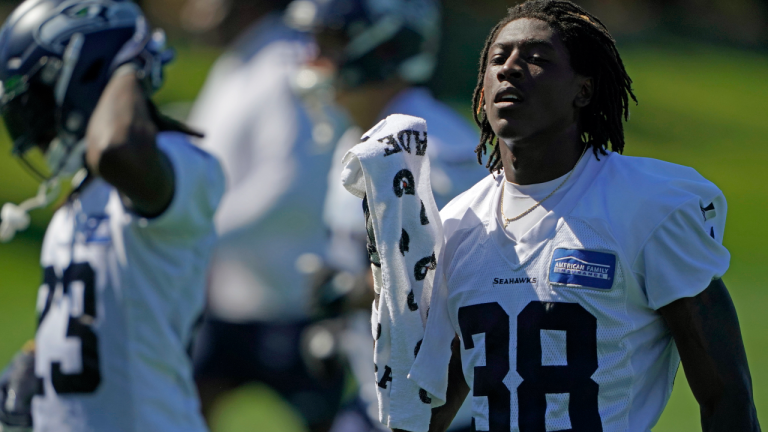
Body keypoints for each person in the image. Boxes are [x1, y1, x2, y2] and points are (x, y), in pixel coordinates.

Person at [391, 1, 761, 431]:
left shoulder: (646, 206)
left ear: (582, 90)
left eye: (536, 59)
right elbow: (434, 402)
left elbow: (725, 396)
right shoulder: (456, 223)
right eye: (498, 59)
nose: (509, 69)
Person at [0, 1, 224, 431]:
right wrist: (37, 358)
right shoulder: (84, 196)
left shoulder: (182, 164)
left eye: (39, 100)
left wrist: (125, 67)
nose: (34, 125)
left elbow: (117, 151)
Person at [283, 1, 487, 431]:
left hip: (447, 413)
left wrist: (351, 291)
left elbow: (461, 289)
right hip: (378, 401)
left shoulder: (435, 155)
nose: (311, 59)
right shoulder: (359, 140)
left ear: (385, 47)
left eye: (329, 42)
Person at [185, 2, 348, 431]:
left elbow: (289, 186)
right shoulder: (239, 60)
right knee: (177, 415)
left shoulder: (286, 65)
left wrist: (196, 233)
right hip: (229, 302)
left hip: (292, 305)